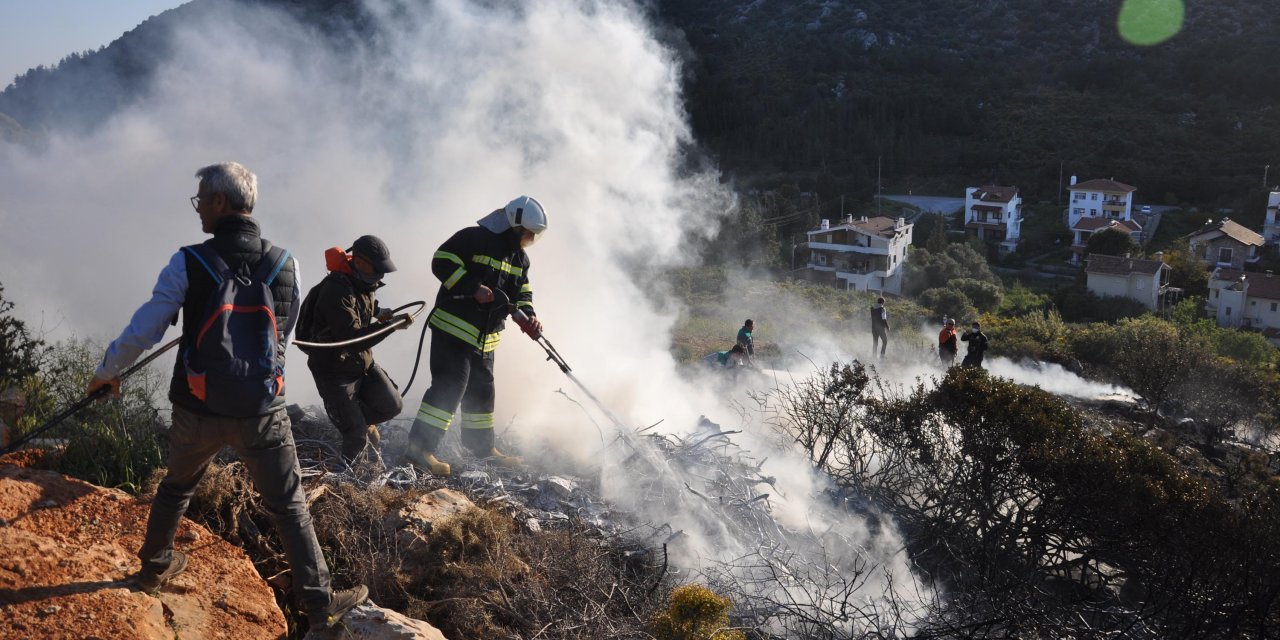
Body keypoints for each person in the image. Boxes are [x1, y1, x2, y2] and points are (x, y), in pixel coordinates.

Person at [84, 162, 367, 629]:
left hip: (197, 407)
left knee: (176, 488)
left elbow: (146, 327)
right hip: (262, 411)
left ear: (220, 202)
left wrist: (107, 373)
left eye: (201, 200)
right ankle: (319, 607)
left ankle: (154, 569)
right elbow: (281, 338)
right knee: (289, 505)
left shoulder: (188, 261)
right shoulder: (287, 263)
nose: (198, 211)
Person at [402, 196, 546, 476]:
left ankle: (481, 449)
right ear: (516, 226)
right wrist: (473, 287)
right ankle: (418, 449)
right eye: (528, 233)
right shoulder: (473, 238)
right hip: (453, 330)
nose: (530, 239)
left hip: (486, 339)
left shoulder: (520, 258)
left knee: (482, 392)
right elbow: (441, 261)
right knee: (450, 388)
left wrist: (529, 315)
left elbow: (522, 292)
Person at [296, 235, 410, 463]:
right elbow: (352, 340)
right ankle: (347, 478)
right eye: (376, 268)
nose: (380, 274)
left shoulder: (363, 282)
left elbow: (365, 303)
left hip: (361, 365)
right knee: (356, 436)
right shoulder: (335, 291)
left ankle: (354, 419)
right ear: (358, 262)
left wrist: (381, 313)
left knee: (392, 405)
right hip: (334, 372)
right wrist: (390, 325)